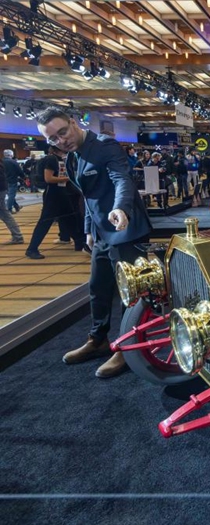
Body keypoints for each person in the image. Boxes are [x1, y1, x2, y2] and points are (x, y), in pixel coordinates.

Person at [36, 107, 152, 379]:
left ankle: (128, 347)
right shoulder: (72, 156)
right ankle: (98, 340)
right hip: (100, 232)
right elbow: (88, 197)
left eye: (62, 132)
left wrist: (121, 209)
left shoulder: (104, 145)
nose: (60, 140)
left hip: (126, 229)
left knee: (129, 294)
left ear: (73, 122)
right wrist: (89, 229)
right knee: (98, 288)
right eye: (52, 139)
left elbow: (121, 179)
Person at [25, 146, 85, 258]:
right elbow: (49, 178)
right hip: (53, 194)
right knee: (45, 221)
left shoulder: (59, 159)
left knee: (69, 218)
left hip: (61, 192)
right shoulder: (52, 159)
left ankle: (80, 243)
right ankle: (32, 248)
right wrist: (68, 179)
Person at [0, 158, 24, 245]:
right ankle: (17, 236)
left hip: (1, 189)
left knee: (4, 214)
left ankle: (17, 236)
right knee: (4, 213)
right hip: (3, 187)